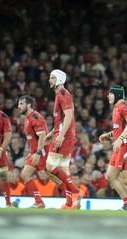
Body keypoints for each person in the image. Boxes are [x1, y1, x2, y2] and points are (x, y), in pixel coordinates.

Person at [44, 69, 84, 209]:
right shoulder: (60, 94)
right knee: (64, 171)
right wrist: (53, 132)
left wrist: (60, 135)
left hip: (64, 136)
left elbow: (68, 116)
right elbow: (61, 118)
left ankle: (76, 192)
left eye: (52, 78)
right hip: (62, 133)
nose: (50, 80)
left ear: (60, 79)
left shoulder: (62, 93)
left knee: (49, 167)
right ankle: (69, 203)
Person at [17, 95, 49, 208]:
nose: (18, 106)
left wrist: (38, 153)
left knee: (56, 178)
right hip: (36, 152)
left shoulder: (35, 117)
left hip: (43, 153)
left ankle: (74, 196)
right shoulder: (27, 118)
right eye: (18, 104)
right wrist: (32, 152)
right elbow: (34, 139)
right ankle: (39, 201)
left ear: (29, 105)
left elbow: (42, 137)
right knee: (25, 174)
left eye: (21, 104)